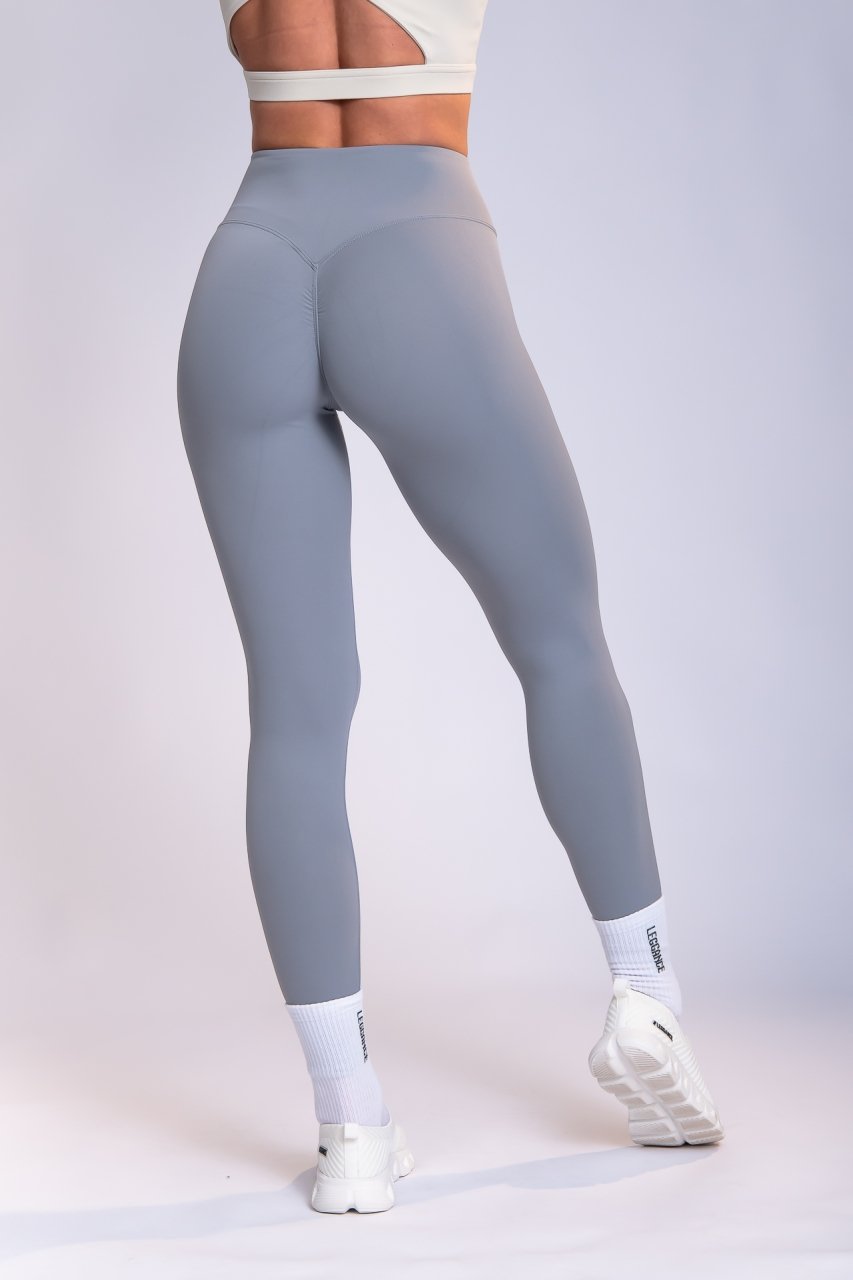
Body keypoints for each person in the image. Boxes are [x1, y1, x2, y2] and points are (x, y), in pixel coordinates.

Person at [176, 0, 725, 1215]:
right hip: (415, 250)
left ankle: (350, 1125)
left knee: (295, 716)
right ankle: (646, 998)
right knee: (558, 637)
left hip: (248, 263)